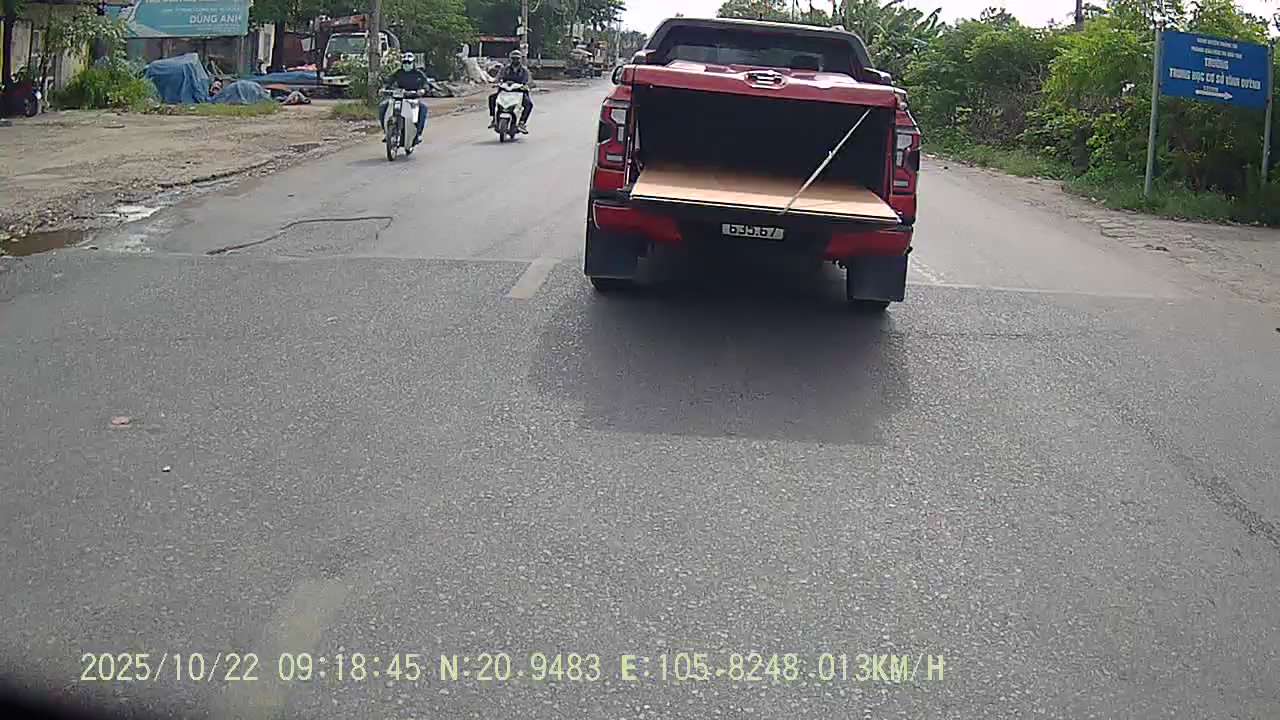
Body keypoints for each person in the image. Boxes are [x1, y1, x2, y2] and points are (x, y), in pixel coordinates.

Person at [379, 52, 430, 146]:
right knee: (382, 106)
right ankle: (386, 133)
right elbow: (389, 81)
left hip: (413, 99)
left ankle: (418, 134)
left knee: (423, 108)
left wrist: (423, 90)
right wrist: (384, 88)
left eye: (409, 62)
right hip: (398, 98)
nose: (407, 64)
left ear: (413, 63)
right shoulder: (398, 72)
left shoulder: (419, 74)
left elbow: (426, 84)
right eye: (404, 62)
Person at [488, 49, 533, 133]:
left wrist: (527, 86)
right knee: (492, 98)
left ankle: (522, 123)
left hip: (519, 92)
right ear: (510, 59)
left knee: (529, 104)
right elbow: (498, 78)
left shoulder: (524, 71)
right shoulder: (505, 69)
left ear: (520, 59)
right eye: (513, 58)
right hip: (505, 91)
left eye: (517, 58)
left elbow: (529, 81)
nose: (515, 60)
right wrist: (496, 83)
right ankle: (494, 118)